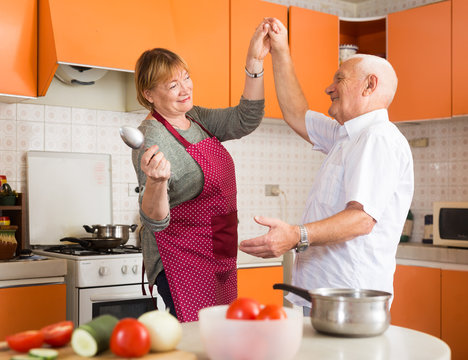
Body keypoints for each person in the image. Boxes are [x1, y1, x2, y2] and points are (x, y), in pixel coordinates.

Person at [239, 18, 414, 312]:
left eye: (339, 78)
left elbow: (361, 219)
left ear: (370, 85)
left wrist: (296, 235)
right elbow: (296, 113)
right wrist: (280, 50)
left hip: (350, 297)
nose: (328, 88)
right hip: (328, 294)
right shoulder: (346, 136)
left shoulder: (378, 138)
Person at [131, 23, 270, 323]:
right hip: (180, 261)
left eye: (186, 78)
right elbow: (155, 220)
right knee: (196, 345)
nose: (186, 89)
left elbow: (246, 119)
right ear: (149, 94)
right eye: (173, 85)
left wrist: (254, 64)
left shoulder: (195, 117)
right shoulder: (151, 140)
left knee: (219, 338)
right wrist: (156, 182)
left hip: (219, 251)